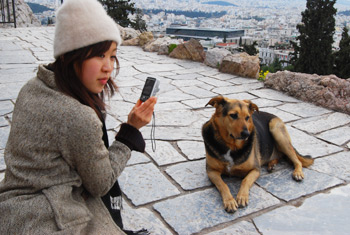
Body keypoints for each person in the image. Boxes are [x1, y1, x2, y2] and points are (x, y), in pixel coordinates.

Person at [0, 0, 157, 234]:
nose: (108, 67)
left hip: (11, 207)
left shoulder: (33, 86)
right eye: (99, 55)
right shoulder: (77, 115)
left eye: (112, 56)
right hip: (46, 217)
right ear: (69, 56)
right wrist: (129, 134)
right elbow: (100, 184)